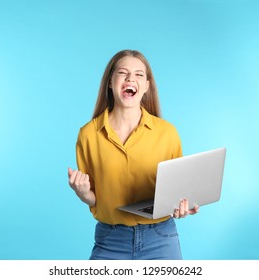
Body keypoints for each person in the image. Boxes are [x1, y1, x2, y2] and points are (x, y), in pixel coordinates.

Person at [67, 50, 199, 260]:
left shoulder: (167, 133)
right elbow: (95, 199)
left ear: (146, 85)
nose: (130, 78)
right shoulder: (88, 135)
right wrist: (83, 194)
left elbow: (177, 192)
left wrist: (182, 206)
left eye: (139, 74)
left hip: (160, 239)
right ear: (110, 82)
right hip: (110, 240)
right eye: (123, 73)